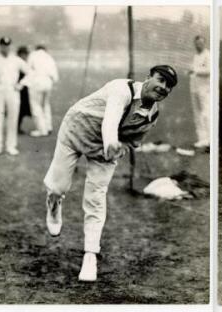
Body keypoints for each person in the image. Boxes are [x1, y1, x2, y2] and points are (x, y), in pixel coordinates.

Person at [43, 65, 178, 282]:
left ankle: (90, 256)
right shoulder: (121, 89)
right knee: (58, 187)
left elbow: (134, 141)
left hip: (105, 149)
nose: (163, 87)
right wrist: (111, 143)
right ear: (147, 78)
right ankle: (54, 202)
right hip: (76, 129)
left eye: (169, 86)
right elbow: (111, 120)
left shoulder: (152, 114)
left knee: (96, 198)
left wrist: (118, 149)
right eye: (160, 80)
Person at [27, 44, 59, 137]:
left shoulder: (33, 55)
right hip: (47, 82)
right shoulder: (49, 57)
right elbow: (55, 76)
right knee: (46, 105)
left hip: (37, 82)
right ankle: (48, 126)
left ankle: (41, 129)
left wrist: (25, 82)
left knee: (36, 105)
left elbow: (28, 70)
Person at [188, 35, 210, 150]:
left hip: (204, 89)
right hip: (194, 88)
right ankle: (202, 139)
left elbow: (209, 71)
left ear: (204, 43)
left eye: (201, 43)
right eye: (197, 43)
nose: (198, 45)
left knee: (205, 113)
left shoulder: (207, 55)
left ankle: (209, 140)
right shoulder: (196, 56)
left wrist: (194, 71)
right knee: (197, 114)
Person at [16, 46, 31, 134]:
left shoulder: (23, 63)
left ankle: (17, 127)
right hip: (19, 89)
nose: (26, 56)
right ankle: (17, 128)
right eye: (24, 54)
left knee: (21, 110)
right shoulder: (18, 63)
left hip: (23, 89)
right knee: (20, 109)